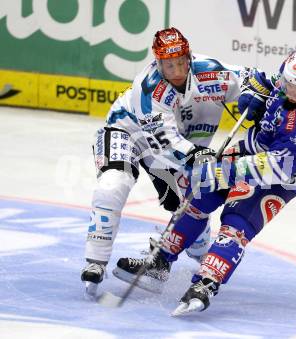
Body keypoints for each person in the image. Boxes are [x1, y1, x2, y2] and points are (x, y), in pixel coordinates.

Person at [115, 47, 296, 315]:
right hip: (258, 145)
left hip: (284, 172)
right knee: (199, 196)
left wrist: (220, 172)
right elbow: (264, 80)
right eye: (288, 83)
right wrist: (255, 93)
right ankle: (159, 263)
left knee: (237, 222)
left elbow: (269, 169)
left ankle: (206, 282)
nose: (291, 91)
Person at [80, 27, 258, 296]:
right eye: (168, 64)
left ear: (189, 57)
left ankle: (189, 259)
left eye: (180, 62)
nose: (175, 70)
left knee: (192, 201)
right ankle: (96, 262)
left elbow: (257, 81)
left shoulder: (212, 72)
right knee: (113, 184)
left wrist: (256, 95)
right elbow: (164, 142)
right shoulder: (149, 87)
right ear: (157, 62)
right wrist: (195, 153)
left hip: (178, 145)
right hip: (128, 132)